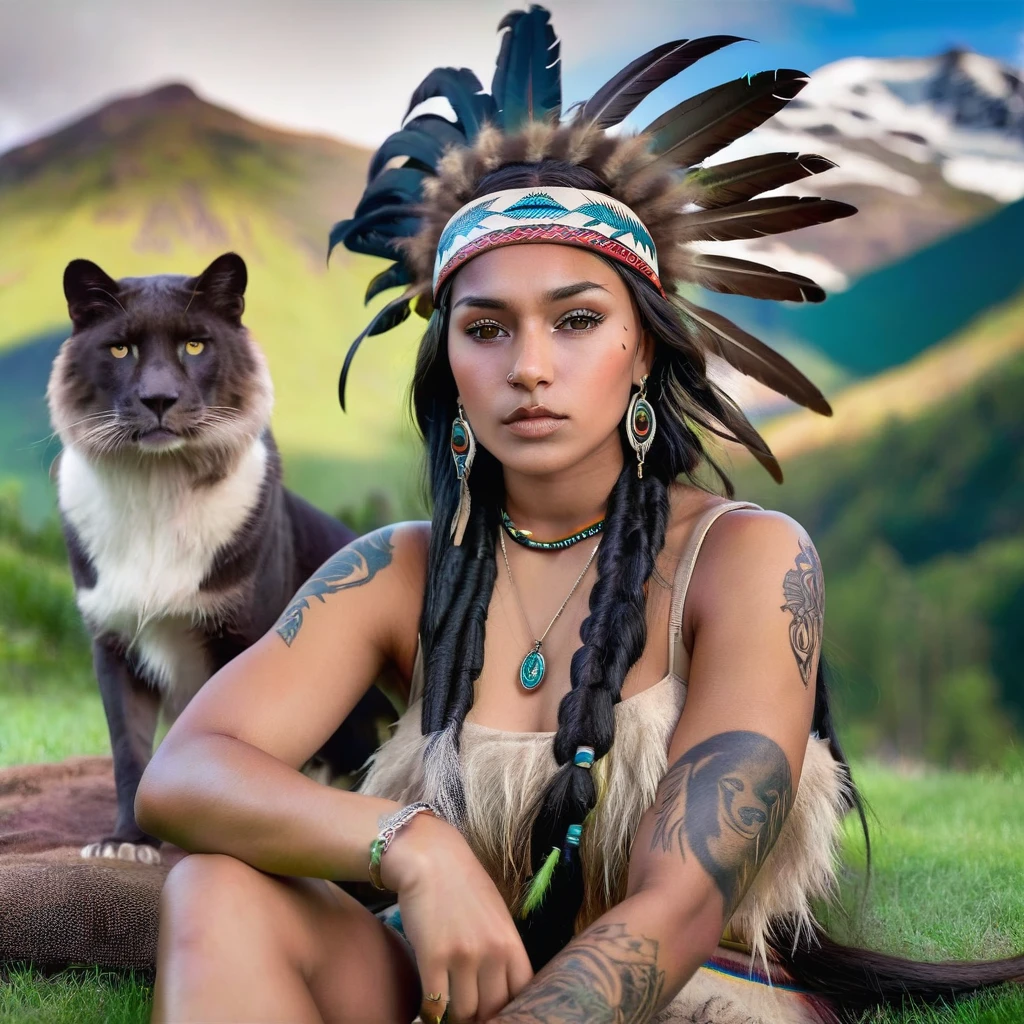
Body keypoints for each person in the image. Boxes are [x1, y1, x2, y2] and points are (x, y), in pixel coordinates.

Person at [136, 9, 1024, 1023]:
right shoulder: (402, 572)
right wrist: (409, 846)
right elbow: (187, 774)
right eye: (485, 328)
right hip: (444, 985)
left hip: (684, 997)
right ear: (451, 365)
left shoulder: (745, 559)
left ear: (639, 350)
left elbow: (677, 901)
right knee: (211, 887)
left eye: (574, 319)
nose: (528, 367)